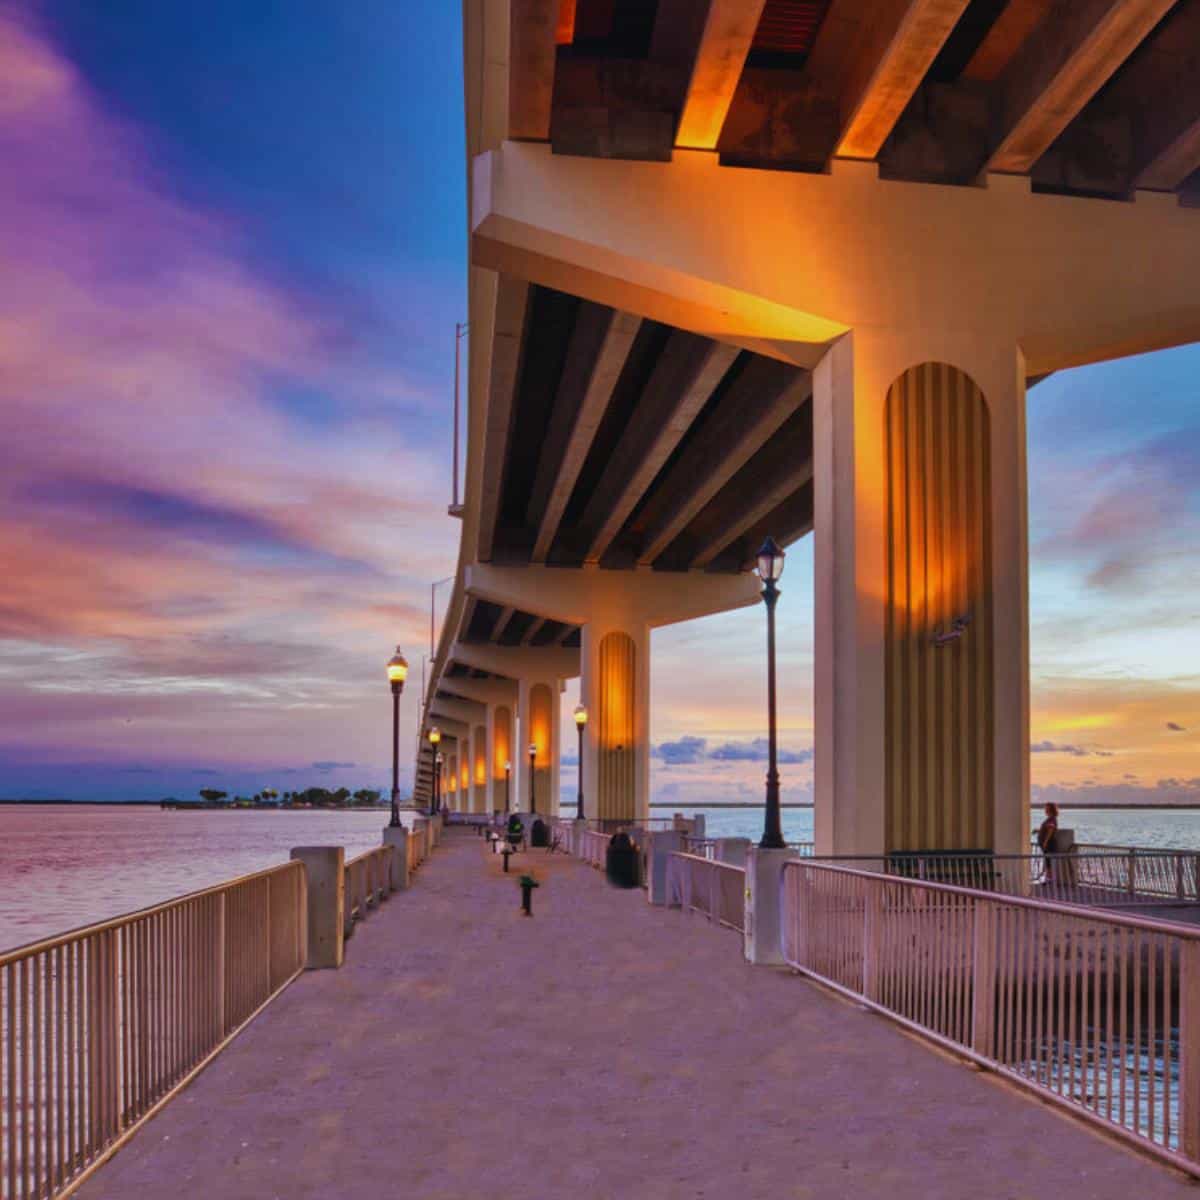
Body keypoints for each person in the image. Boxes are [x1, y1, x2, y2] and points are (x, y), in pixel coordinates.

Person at [1037, 802, 1059, 883]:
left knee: (1048, 861)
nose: (1045, 810)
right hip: (1046, 844)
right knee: (1047, 860)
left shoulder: (1052, 819)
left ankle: (1049, 878)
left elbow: (1050, 830)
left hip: (1049, 844)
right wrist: (1038, 831)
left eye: (1046, 808)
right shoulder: (1049, 819)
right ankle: (1048, 877)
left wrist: (1045, 842)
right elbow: (1046, 829)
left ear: (1050, 809)